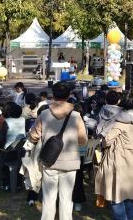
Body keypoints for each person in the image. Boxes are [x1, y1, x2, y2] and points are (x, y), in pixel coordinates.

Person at [26, 82, 88, 220]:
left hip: (49, 160)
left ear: (53, 95)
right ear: (68, 95)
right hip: (70, 162)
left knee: (48, 199)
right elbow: (83, 140)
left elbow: (34, 136)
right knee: (66, 200)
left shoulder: (44, 114)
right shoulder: (76, 116)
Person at [95, 90, 133, 220]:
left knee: (117, 197)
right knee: (129, 196)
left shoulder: (120, 122)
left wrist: (103, 141)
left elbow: (107, 141)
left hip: (119, 162)